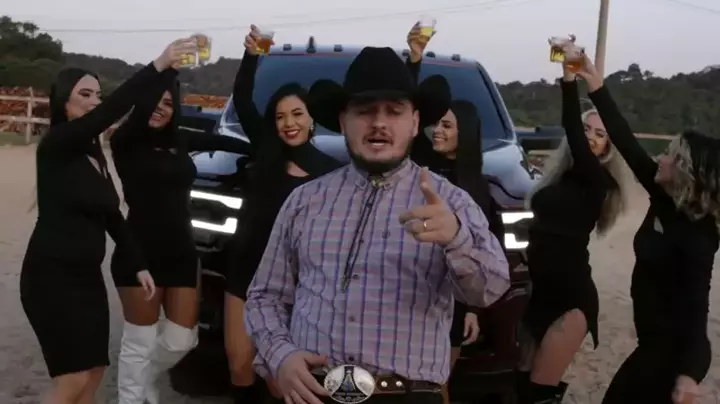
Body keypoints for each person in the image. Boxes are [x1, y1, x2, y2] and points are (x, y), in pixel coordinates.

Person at [245, 46, 510, 404]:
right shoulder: (304, 201)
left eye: (394, 111)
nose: (379, 123)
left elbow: (490, 291)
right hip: (314, 392)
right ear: (343, 121)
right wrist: (281, 356)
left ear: (415, 122)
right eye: (364, 110)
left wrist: (457, 239)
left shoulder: (451, 203)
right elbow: (265, 296)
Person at [19, 38, 194, 404]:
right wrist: (159, 65)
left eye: (98, 95)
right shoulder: (57, 145)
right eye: (84, 94)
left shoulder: (93, 156)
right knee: (73, 380)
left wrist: (139, 265)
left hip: (88, 279)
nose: (94, 102)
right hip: (51, 278)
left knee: (94, 374)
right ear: (64, 102)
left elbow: (114, 217)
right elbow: (110, 113)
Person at [574, 56, 719, 404]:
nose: (660, 158)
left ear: (684, 170)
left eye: (668, 155)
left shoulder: (698, 236)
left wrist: (689, 375)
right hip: (649, 348)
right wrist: (595, 85)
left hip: (669, 361)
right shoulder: (664, 198)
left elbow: (697, 310)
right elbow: (625, 141)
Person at [109, 60, 251, 404]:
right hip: (139, 250)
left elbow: (223, 141)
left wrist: (272, 149)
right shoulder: (125, 141)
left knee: (182, 339)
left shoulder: (180, 139)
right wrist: (167, 67)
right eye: (154, 101)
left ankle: (144, 377)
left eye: (169, 103)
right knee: (139, 340)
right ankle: (131, 397)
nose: (160, 109)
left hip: (181, 251)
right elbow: (126, 102)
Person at [223, 25, 342, 404]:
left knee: (284, 379)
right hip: (245, 272)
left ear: (311, 119)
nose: (289, 123)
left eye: (297, 114)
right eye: (280, 116)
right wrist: (252, 54)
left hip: (298, 286)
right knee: (240, 365)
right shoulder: (265, 150)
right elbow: (243, 97)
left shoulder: (331, 172)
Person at [516, 47, 631, 404]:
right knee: (518, 385)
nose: (591, 137)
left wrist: (568, 79)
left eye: (601, 134)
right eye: (587, 129)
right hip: (539, 292)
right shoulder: (556, 179)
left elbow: (573, 134)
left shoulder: (599, 182)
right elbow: (536, 226)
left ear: (608, 145)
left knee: (537, 393)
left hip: (571, 300)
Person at [404, 23, 506, 404]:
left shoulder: (478, 190)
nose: (437, 131)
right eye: (437, 124)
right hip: (410, 291)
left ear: (466, 132)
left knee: (437, 385)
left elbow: (485, 255)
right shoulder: (421, 165)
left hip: (453, 303)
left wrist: (473, 311)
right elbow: (409, 114)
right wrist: (414, 59)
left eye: (447, 125)